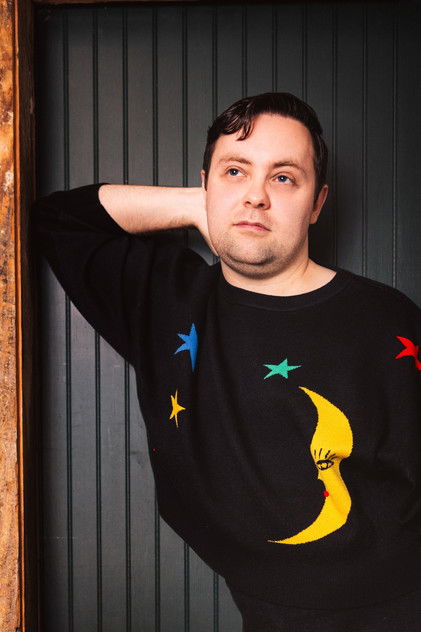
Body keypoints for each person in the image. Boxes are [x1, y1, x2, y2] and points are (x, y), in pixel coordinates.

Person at [32, 92, 421, 631]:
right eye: (235, 171)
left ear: (316, 203)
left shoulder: (387, 321)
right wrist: (196, 207)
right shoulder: (166, 300)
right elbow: (54, 218)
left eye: (283, 177)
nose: (256, 196)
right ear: (206, 183)